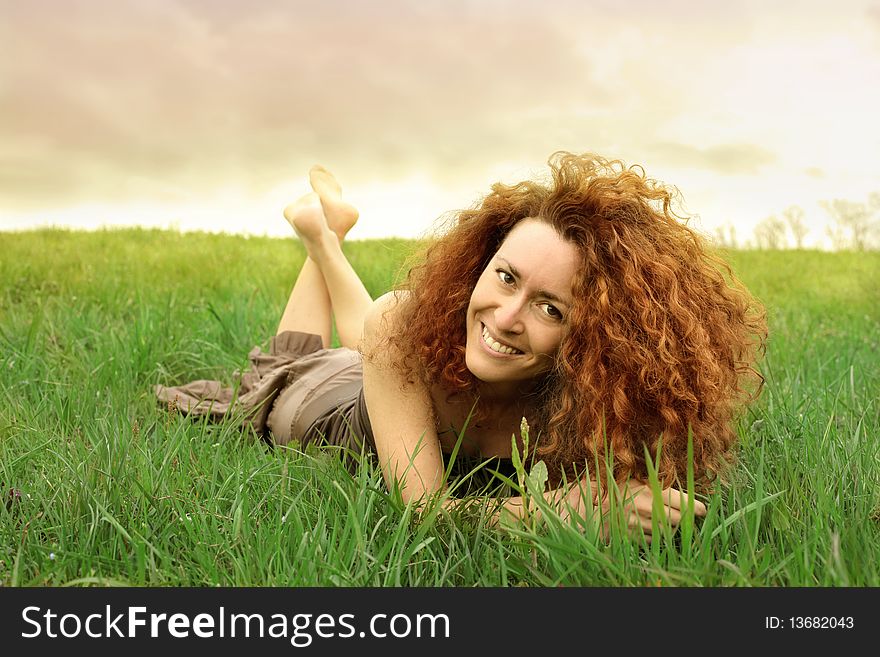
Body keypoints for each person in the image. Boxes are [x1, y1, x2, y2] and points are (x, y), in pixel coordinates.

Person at [156, 152, 767, 541]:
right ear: (481, 261)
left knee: (375, 335)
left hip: (379, 368)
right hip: (320, 400)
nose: (505, 316)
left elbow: (641, 499)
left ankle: (325, 232)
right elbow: (425, 518)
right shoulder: (405, 326)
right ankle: (323, 239)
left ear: (597, 337)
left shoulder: (594, 405)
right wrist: (562, 510)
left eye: (550, 308)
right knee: (291, 361)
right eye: (505, 277)